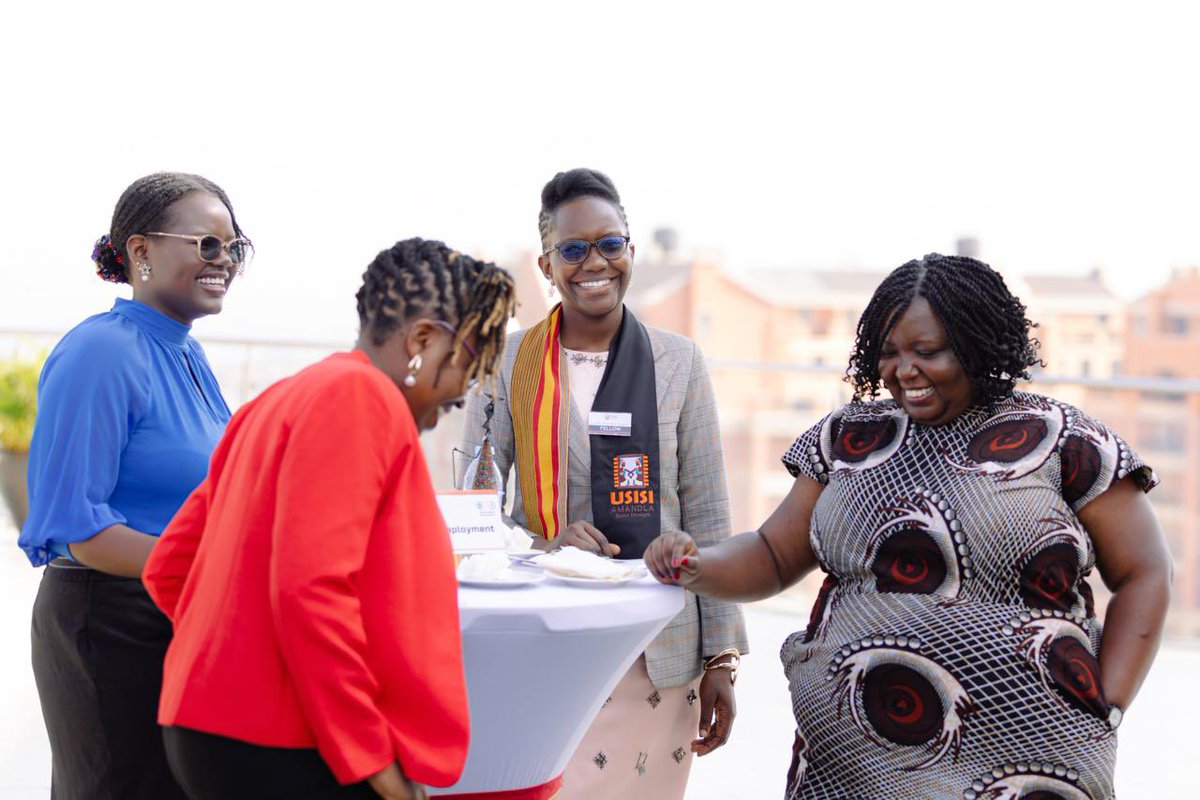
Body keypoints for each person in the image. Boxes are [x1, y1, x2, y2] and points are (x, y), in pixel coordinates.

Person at [644, 252, 1173, 799]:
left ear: (976, 342)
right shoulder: (850, 437)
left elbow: (1146, 571)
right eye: (889, 353)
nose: (903, 371)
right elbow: (773, 556)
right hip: (852, 769)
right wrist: (697, 566)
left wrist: (1107, 701)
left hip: (1028, 764)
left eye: (928, 351)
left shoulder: (1063, 437)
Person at [142, 238, 517, 800]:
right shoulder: (360, 397)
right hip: (286, 742)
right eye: (465, 373)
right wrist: (371, 757)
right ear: (422, 340)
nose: (461, 394)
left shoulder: (276, 400)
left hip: (206, 730)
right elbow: (309, 587)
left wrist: (239, 657)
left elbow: (170, 566)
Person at [458, 168, 747, 799]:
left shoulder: (680, 361)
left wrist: (722, 656)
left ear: (631, 251)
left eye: (610, 244)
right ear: (547, 264)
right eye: (573, 249)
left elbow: (708, 509)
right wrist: (545, 546)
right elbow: (475, 511)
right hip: (551, 644)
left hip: (660, 644)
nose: (595, 262)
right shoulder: (508, 363)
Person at [18, 172, 249, 799]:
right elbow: (77, 527)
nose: (223, 260)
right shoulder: (102, 350)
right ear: (141, 251)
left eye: (234, 247)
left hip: (171, 614)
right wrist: (221, 565)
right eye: (207, 244)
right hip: (110, 625)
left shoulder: (185, 352)